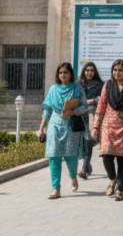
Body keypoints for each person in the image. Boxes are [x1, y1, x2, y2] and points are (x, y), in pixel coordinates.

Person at [37, 62, 90, 199]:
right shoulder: (53, 89)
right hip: (54, 127)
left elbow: (85, 106)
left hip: (71, 127)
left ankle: (73, 177)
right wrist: (41, 129)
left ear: (70, 73)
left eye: (65, 72)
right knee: (54, 157)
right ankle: (56, 189)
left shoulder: (77, 88)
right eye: (60, 72)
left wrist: (73, 112)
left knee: (70, 156)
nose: (63, 75)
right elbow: (47, 110)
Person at [91, 59, 123, 201]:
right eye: (115, 70)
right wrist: (95, 127)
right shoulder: (108, 86)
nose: (117, 73)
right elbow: (100, 108)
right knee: (106, 156)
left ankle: (120, 189)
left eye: (120, 70)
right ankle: (112, 179)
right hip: (109, 127)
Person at [77, 62, 103, 179]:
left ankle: (83, 169)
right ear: (84, 71)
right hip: (79, 116)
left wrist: (95, 100)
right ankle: (87, 165)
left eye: (92, 70)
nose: (89, 72)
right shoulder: (78, 85)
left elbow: (102, 98)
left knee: (89, 142)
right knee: (81, 143)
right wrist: (86, 102)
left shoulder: (99, 85)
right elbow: (74, 99)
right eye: (87, 70)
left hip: (92, 116)